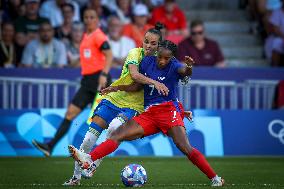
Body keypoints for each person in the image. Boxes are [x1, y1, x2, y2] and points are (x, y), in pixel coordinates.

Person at [68, 40, 225, 187]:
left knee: (185, 147)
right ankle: (88, 160)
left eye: (166, 58)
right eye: (160, 57)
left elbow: (185, 72)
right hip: (149, 114)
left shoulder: (175, 65)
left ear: (172, 58)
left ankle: (215, 178)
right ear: (156, 53)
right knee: (117, 135)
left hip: (168, 113)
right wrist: (115, 88)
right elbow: (136, 86)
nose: (162, 61)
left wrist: (189, 67)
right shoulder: (147, 62)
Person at [62, 23, 169, 186]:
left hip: (133, 106)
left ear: (158, 46)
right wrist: (155, 82)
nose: (148, 45)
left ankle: (92, 165)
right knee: (88, 140)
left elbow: (172, 74)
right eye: (146, 41)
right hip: (113, 99)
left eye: (153, 43)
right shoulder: (134, 52)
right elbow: (134, 75)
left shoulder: (157, 64)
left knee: (113, 129)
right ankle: (75, 178)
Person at [32, 9, 113, 156]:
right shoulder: (86, 36)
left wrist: (104, 74)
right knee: (70, 113)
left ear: (97, 20)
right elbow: (88, 58)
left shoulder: (98, 36)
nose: (88, 20)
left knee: (100, 119)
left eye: (92, 17)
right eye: (86, 17)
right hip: (88, 81)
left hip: (99, 79)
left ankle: (104, 148)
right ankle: (50, 146)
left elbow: (109, 54)